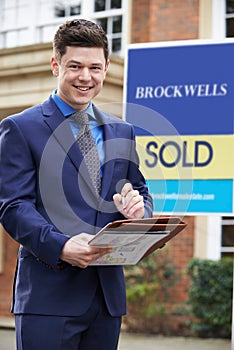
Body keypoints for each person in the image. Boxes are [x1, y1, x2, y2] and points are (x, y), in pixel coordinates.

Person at [0, 19, 153, 350]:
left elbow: (138, 190)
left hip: (106, 298)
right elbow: (13, 207)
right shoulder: (19, 128)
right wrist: (61, 246)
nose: (86, 77)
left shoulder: (122, 131)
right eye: (75, 66)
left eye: (95, 67)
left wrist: (138, 209)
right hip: (48, 300)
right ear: (56, 65)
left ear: (106, 68)